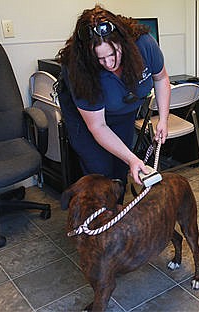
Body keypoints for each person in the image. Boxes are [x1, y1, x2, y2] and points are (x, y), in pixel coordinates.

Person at [57, 5, 170, 190]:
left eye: (113, 54)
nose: (109, 63)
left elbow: (161, 78)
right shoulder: (78, 68)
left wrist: (163, 119)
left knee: (120, 166)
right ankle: (98, 214)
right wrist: (134, 159)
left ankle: (116, 212)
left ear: (123, 43)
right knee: (100, 171)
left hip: (123, 111)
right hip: (88, 120)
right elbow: (98, 126)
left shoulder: (144, 44)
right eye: (100, 59)